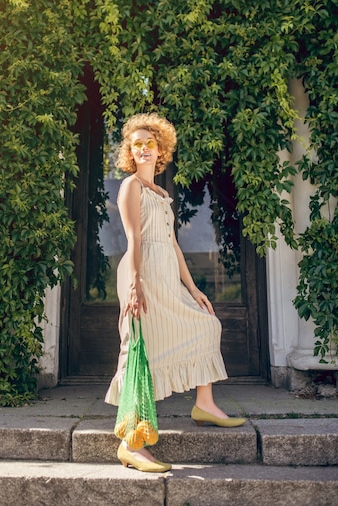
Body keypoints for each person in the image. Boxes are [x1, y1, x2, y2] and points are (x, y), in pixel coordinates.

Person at [105, 113, 245, 473]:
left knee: (205, 326)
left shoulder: (161, 194)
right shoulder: (131, 187)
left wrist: (193, 288)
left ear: (160, 147)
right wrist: (135, 284)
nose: (143, 149)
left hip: (167, 276)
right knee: (140, 349)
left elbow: (175, 246)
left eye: (149, 142)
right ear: (130, 152)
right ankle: (130, 445)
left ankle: (205, 405)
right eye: (136, 144)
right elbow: (135, 239)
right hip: (143, 274)